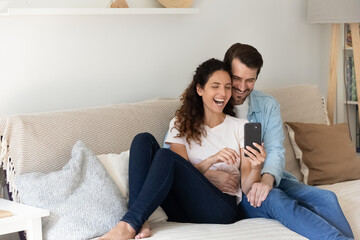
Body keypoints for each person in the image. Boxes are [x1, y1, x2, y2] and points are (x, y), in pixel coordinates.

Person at [100, 58, 265, 240]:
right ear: (200, 89)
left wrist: (257, 166)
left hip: (219, 210)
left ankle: (129, 224)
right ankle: (141, 219)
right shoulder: (180, 124)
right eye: (215, 86)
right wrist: (212, 161)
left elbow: (248, 187)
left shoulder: (241, 126)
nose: (223, 93)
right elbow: (182, 172)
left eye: (227, 87)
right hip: (180, 208)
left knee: (165, 156)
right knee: (143, 139)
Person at [213, 42, 352, 238]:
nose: (242, 87)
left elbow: (276, 148)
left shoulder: (267, 104)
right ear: (226, 72)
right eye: (236, 78)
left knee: (327, 198)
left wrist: (267, 180)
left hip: (273, 178)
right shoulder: (212, 105)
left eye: (250, 80)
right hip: (238, 189)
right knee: (276, 198)